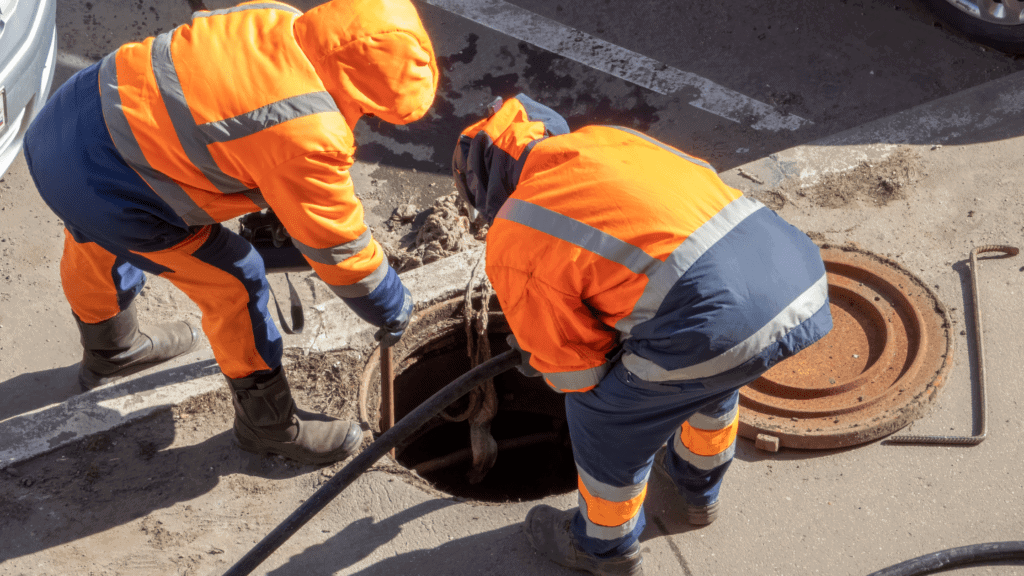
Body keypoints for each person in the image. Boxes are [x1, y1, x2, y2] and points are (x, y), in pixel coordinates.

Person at [23, 0, 438, 466]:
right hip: (108, 182)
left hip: (72, 121)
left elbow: (224, 113)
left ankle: (111, 348)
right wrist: (390, 304)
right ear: (362, 92)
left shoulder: (275, 18)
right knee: (235, 280)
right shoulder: (311, 133)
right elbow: (339, 250)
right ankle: (269, 425)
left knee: (93, 236)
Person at [452, 95, 833, 575]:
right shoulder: (609, 140)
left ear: (483, 187)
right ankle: (698, 493)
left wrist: (540, 356)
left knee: (601, 416)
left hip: (715, 321)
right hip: (796, 277)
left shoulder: (515, 229)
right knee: (708, 376)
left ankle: (602, 548)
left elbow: (578, 369)